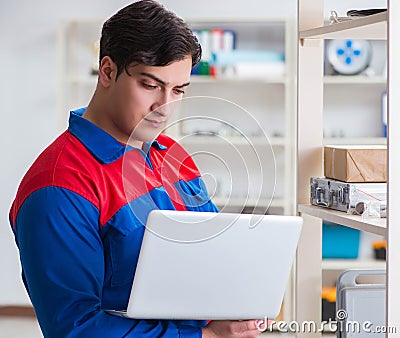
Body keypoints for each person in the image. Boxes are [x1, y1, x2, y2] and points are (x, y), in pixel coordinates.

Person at [9, 1, 264, 337]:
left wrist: (242, 303)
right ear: (108, 71)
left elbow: (214, 253)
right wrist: (206, 335)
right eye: (150, 85)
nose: (164, 107)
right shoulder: (59, 187)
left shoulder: (172, 155)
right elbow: (77, 330)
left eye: (177, 90)